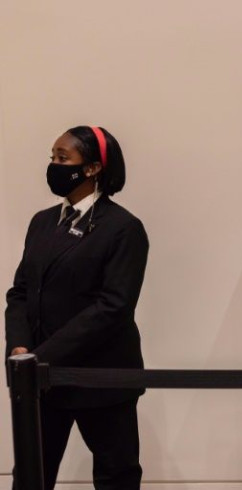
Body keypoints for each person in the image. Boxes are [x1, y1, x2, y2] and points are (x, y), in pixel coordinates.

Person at [5, 126, 149, 489]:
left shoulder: (123, 228)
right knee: (30, 476)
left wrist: (42, 356)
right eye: (52, 157)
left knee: (116, 476)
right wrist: (20, 348)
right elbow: (20, 292)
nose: (53, 165)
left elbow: (113, 308)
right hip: (41, 380)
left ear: (93, 168)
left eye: (63, 158)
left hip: (100, 376)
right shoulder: (42, 222)